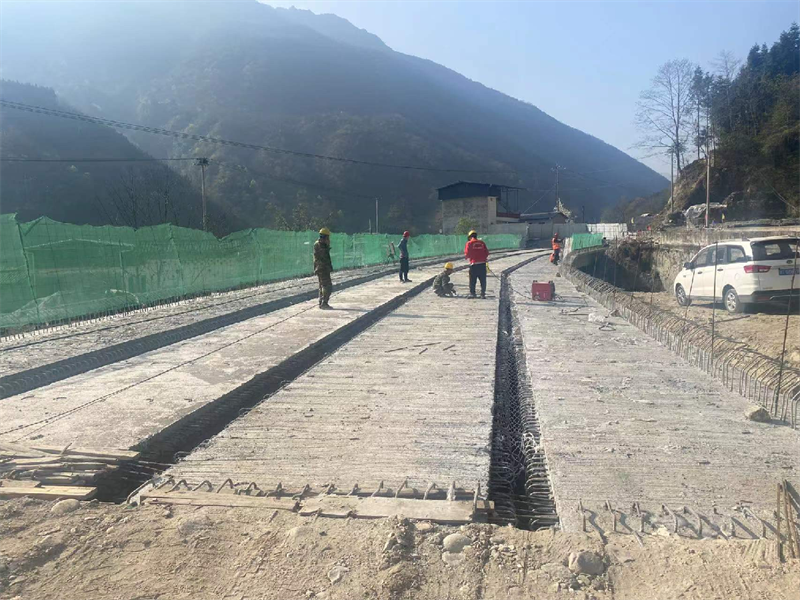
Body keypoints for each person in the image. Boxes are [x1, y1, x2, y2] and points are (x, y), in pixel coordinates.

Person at [464, 230, 489, 298]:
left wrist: (469, 257)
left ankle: (473, 294)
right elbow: (487, 253)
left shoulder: (469, 243)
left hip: (474, 265)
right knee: (483, 280)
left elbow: (467, 254)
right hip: (482, 265)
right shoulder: (482, 243)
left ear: (469, 237)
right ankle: (482, 294)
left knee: (472, 280)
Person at [314, 227, 333, 309]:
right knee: (327, 286)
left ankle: (321, 302)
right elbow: (324, 257)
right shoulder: (321, 245)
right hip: (323, 268)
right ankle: (324, 303)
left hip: (319, 268)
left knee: (322, 286)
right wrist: (327, 246)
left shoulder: (318, 243)